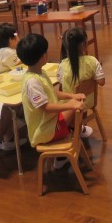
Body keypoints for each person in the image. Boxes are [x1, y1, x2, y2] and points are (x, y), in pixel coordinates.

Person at [17, 33, 88, 168]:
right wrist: (70, 105)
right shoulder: (32, 82)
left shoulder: (39, 72)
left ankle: (72, 133)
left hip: (49, 122)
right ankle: (66, 146)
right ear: (42, 56)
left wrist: (71, 96)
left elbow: (52, 92)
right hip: (44, 130)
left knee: (75, 104)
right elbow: (45, 107)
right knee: (76, 108)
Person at [58, 27, 105, 113]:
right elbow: (101, 82)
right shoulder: (92, 61)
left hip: (68, 107)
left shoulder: (62, 65)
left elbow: (60, 88)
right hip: (87, 103)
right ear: (84, 44)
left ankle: (75, 122)